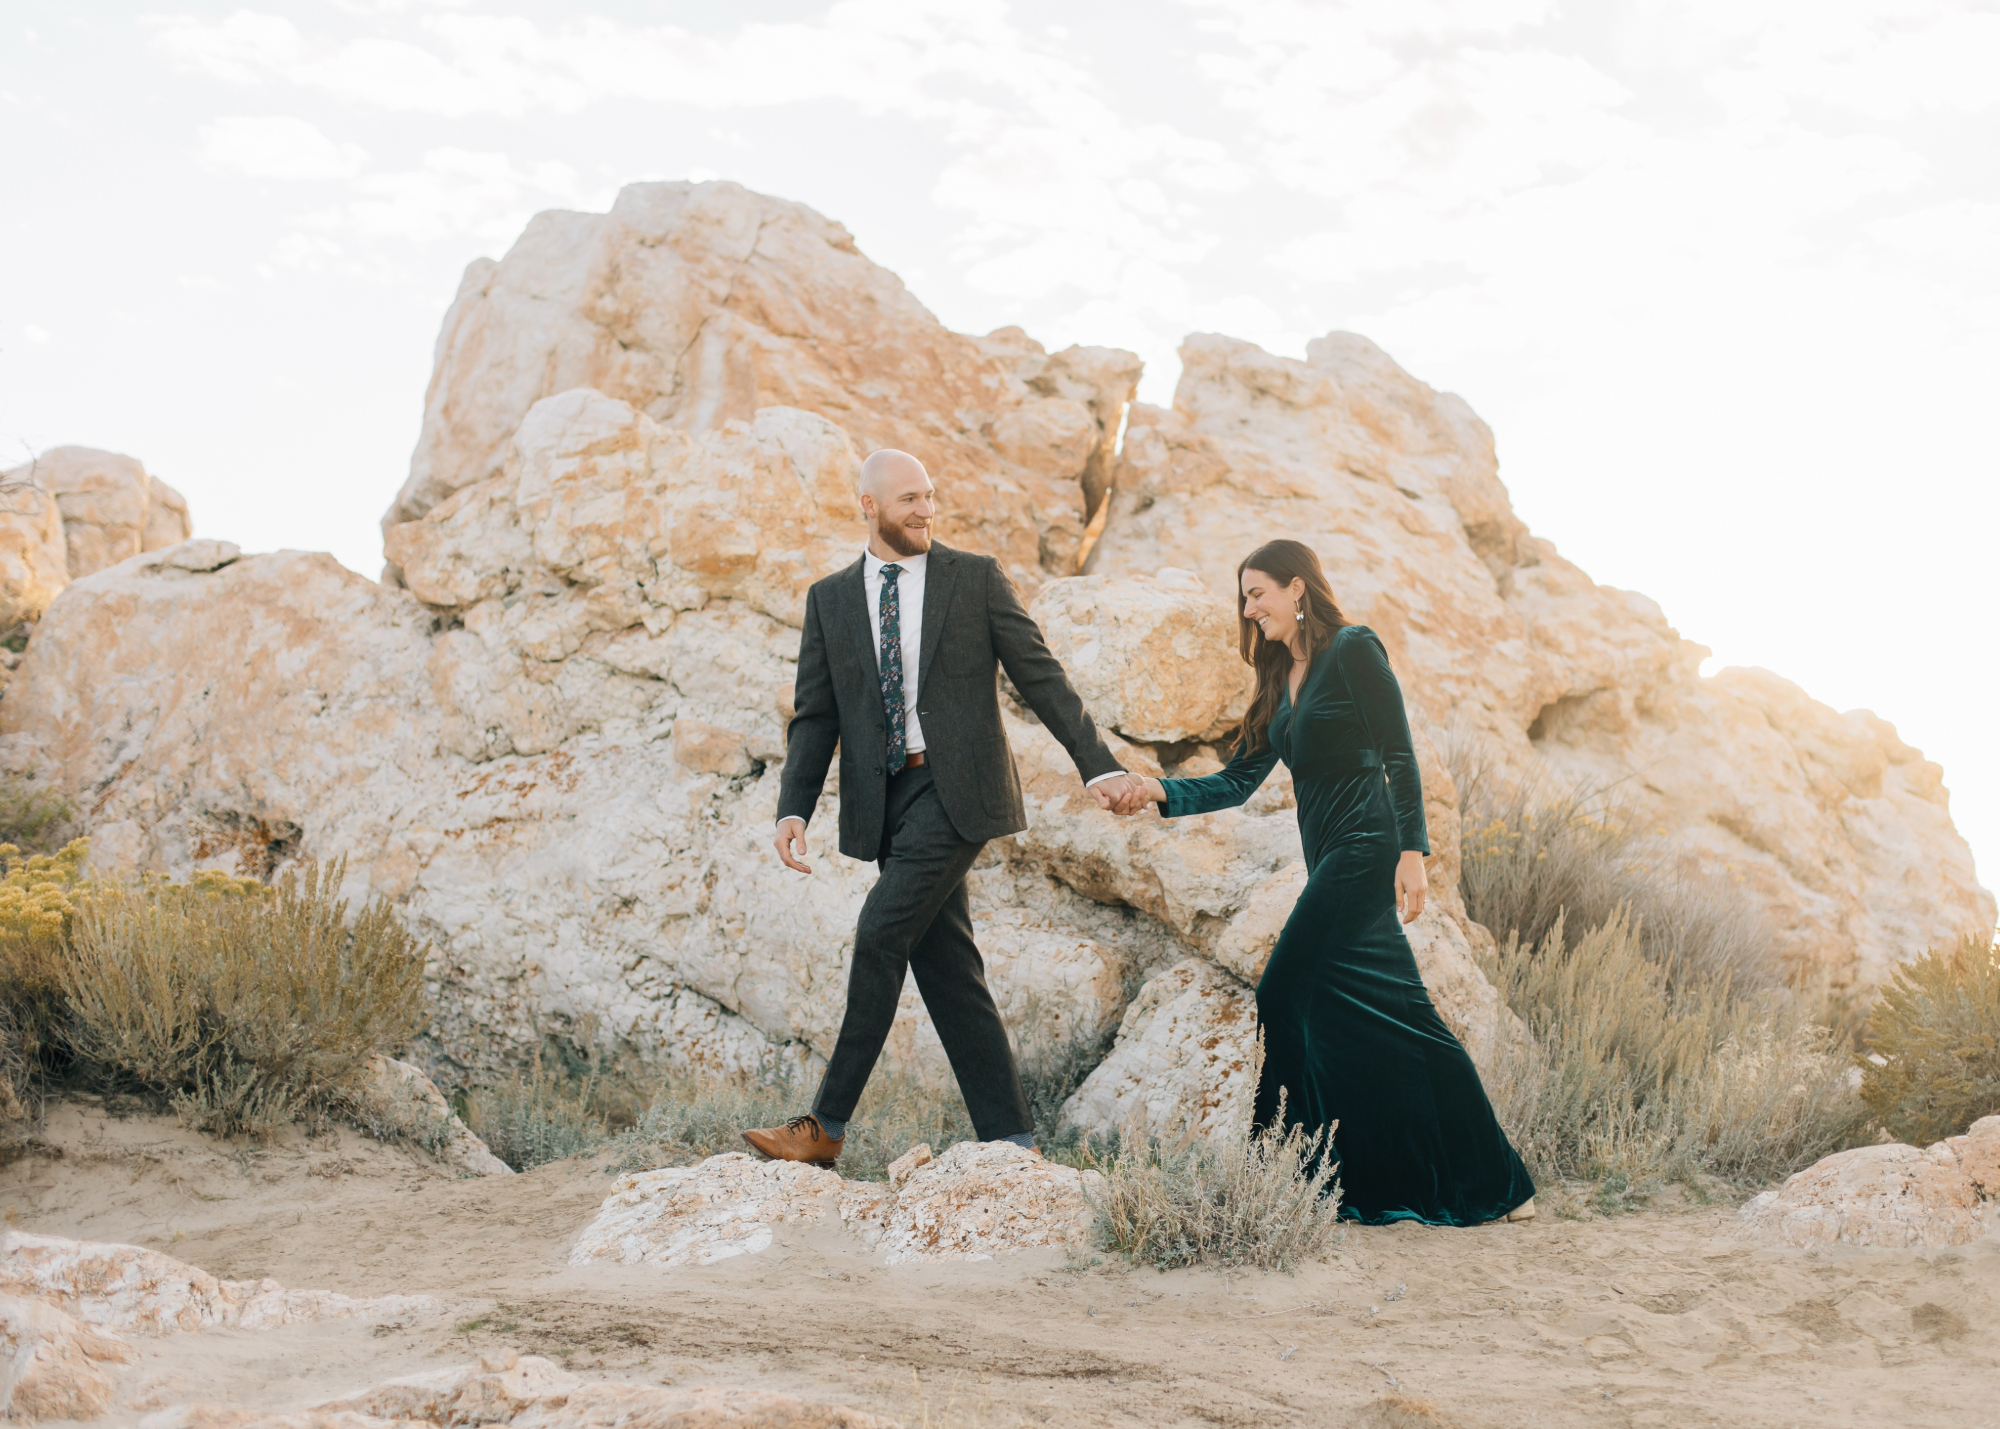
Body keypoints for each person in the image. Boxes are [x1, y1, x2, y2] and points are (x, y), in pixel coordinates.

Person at [1102, 538, 1536, 1226]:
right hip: (1327, 852)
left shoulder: (1353, 649)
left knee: (1283, 990)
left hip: (1366, 848)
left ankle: (1284, 1173)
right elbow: (1238, 780)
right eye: (1243, 597)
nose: (1248, 610)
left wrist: (1413, 851)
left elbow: (1398, 752)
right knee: (1401, 1018)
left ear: (1297, 588)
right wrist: (1155, 787)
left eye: (1257, 593)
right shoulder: (1278, 677)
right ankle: (1491, 1184)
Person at [743, 449, 1148, 1168]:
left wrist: (1099, 765)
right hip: (885, 801)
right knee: (949, 968)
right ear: (867, 506)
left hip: (958, 791)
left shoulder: (976, 578)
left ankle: (825, 1125)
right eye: (908, 500)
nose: (925, 510)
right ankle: (1014, 1140)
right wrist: (792, 808)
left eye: (930, 496)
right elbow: (816, 714)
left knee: (878, 931)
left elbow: (1042, 675)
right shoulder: (829, 599)